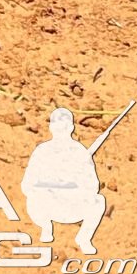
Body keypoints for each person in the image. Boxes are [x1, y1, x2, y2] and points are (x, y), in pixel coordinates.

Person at [21, 108, 109, 254]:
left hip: (71, 206)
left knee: (99, 201)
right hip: (46, 207)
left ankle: (84, 238)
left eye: (64, 127)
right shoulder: (42, 151)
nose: (60, 130)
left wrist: (75, 184)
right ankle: (46, 227)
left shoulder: (79, 152)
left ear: (71, 128)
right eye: (57, 126)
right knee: (34, 198)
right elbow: (26, 185)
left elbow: (93, 186)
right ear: (51, 127)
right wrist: (48, 186)